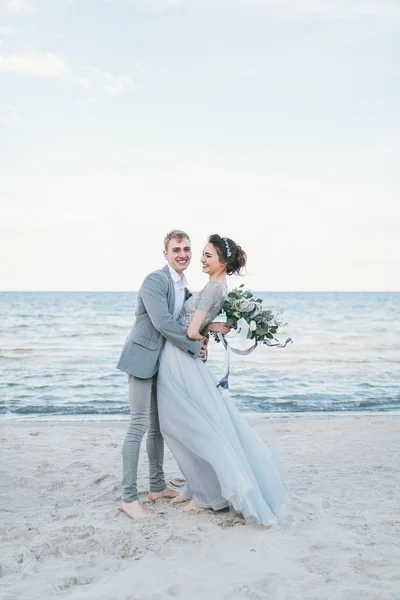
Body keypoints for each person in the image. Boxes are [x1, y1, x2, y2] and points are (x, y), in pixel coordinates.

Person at [157, 234, 289, 526]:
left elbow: (191, 331)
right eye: (202, 254)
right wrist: (211, 326)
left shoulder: (214, 289)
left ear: (223, 261)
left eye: (207, 256)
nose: (201, 260)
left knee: (184, 425)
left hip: (179, 357)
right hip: (182, 357)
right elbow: (202, 327)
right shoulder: (216, 287)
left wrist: (204, 329)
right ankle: (195, 486)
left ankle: (207, 495)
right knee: (192, 422)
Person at [116, 230, 230, 520]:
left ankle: (156, 487)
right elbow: (165, 324)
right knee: (138, 425)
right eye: (176, 249)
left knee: (157, 428)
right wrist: (194, 346)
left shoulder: (184, 283)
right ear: (165, 254)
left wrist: (209, 328)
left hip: (164, 362)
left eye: (187, 249)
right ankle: (129, 498)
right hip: (143, 359)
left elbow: (188, 318)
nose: (183, 254)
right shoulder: (156, 280)